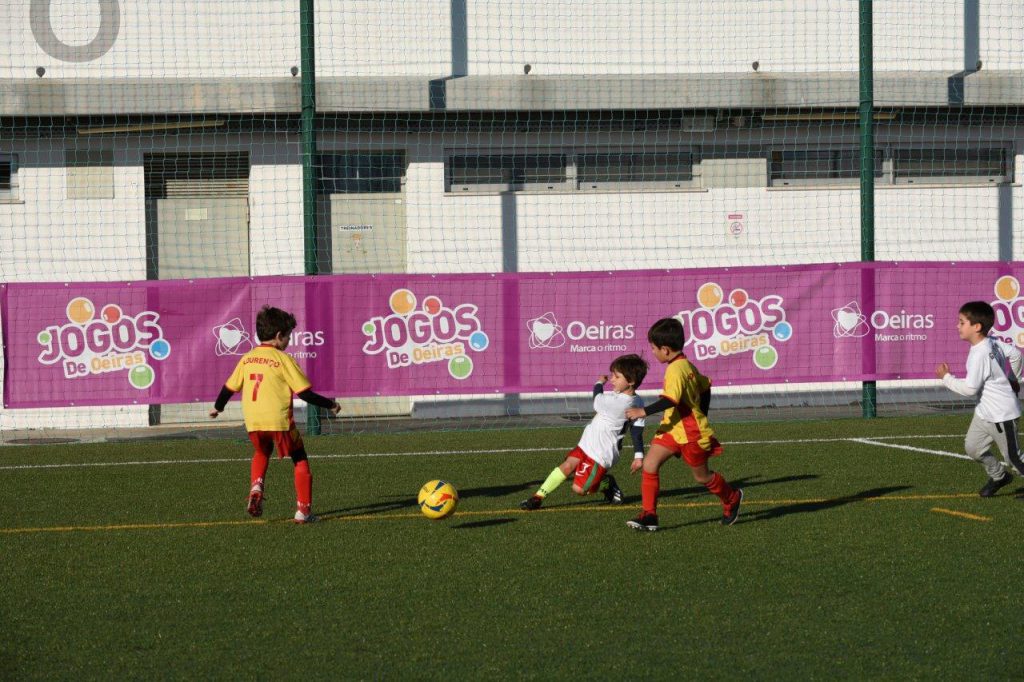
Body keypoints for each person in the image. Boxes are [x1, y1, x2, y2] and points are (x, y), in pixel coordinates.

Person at [210, 305, 341, 523]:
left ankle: (256, 487)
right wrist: (330, 404)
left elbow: (228, 388)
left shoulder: (247, 358)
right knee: (300, 458)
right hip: (279, 422)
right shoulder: (283, 359)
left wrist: (218, 407)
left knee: (262, 452)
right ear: (279, 336)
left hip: (253, 422)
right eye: (288, 336)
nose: (289, 341)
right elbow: (305, 394)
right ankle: (304, 512)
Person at [624, 317, 742, 531]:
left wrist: (643, 411)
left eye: (653, 348)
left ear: (666, 350)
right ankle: (649, 515)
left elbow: (671, 399)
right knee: (650, 465)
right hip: (672, 429)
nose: (652, 351)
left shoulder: (676, 370)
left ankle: (732, 497)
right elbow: (705, 386)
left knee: (701, 476)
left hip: (691, 434)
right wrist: (703, 412)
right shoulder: (686, 365)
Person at [519, 354, 649, 510]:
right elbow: (637, 431)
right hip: (587, 443)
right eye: (612, 375)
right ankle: (538, 497)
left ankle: (607, 483)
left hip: (601, 453)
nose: (612, 379)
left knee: (579, 489)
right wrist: (639, 455)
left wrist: (599, 382)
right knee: (567, 466)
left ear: (631, 381)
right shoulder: (636, 400)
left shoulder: (618, 403)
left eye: (616, 376)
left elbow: (597, 398)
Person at [936, 300, 1024, 499]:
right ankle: (999, 476)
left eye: (961, 322)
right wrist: (1012, 379)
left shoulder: (981, 353)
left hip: (1002, 415)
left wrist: (946, 378)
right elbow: (1016, 355)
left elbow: (969, 389)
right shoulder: (991, 342)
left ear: (976, 327)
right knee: (973, 448)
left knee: (1014, 458)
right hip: (984, 412)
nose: (957, 326)